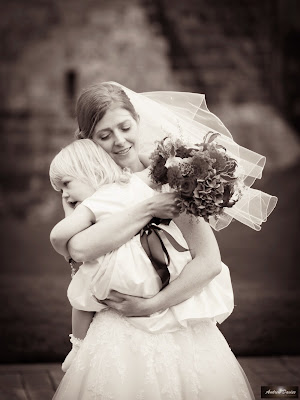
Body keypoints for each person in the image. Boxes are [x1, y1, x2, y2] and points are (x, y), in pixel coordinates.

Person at [49, 82, 277, 399]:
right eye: (104, 135)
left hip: (173, 318)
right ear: (88, 139)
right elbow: (77, 248)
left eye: (125, 127)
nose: (119, 141)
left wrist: (151, 305)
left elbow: (208, 262)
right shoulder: (90, 186)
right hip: (115, 328)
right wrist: (149, 208)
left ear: (137, 120)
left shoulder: (171, 177)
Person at [49, 139, 234, 372]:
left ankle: (78, 346)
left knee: (81, 293)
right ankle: (80, 345)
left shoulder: (99, 201)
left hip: (123, 275)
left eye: (66, 185)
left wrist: (70, 217)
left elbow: (59, 236)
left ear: (89, 171)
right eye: (61, 191)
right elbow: (78, 248)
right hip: (151, 272)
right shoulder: (132, 186)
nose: (65, 194)